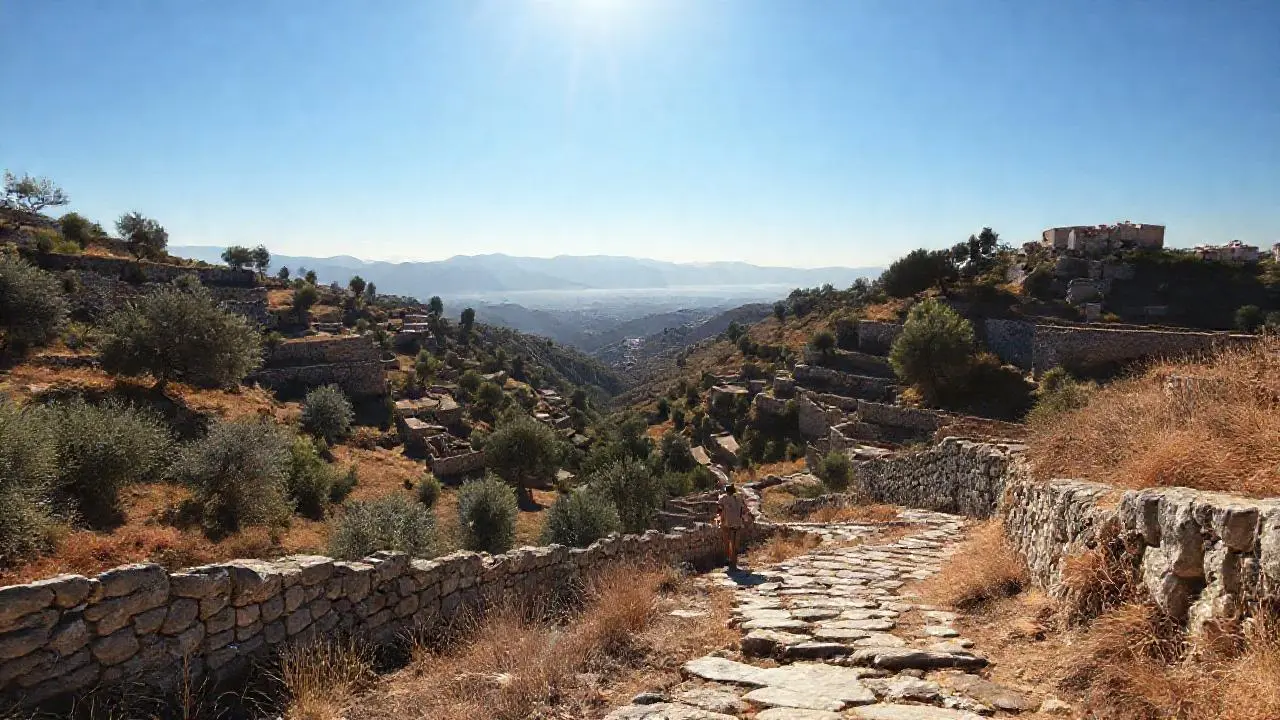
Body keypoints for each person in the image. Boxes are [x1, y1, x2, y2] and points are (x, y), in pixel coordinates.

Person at [716, 483, 752, 570]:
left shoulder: (723, 498)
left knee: (727, 543)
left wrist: (719, 520)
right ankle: (734, 564)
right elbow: (744, 511)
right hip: (738, 524)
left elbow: (719, 510)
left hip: (727, 524)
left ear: (726, 491)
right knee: (735, 545)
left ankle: (728, 561)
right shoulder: (739, 499)